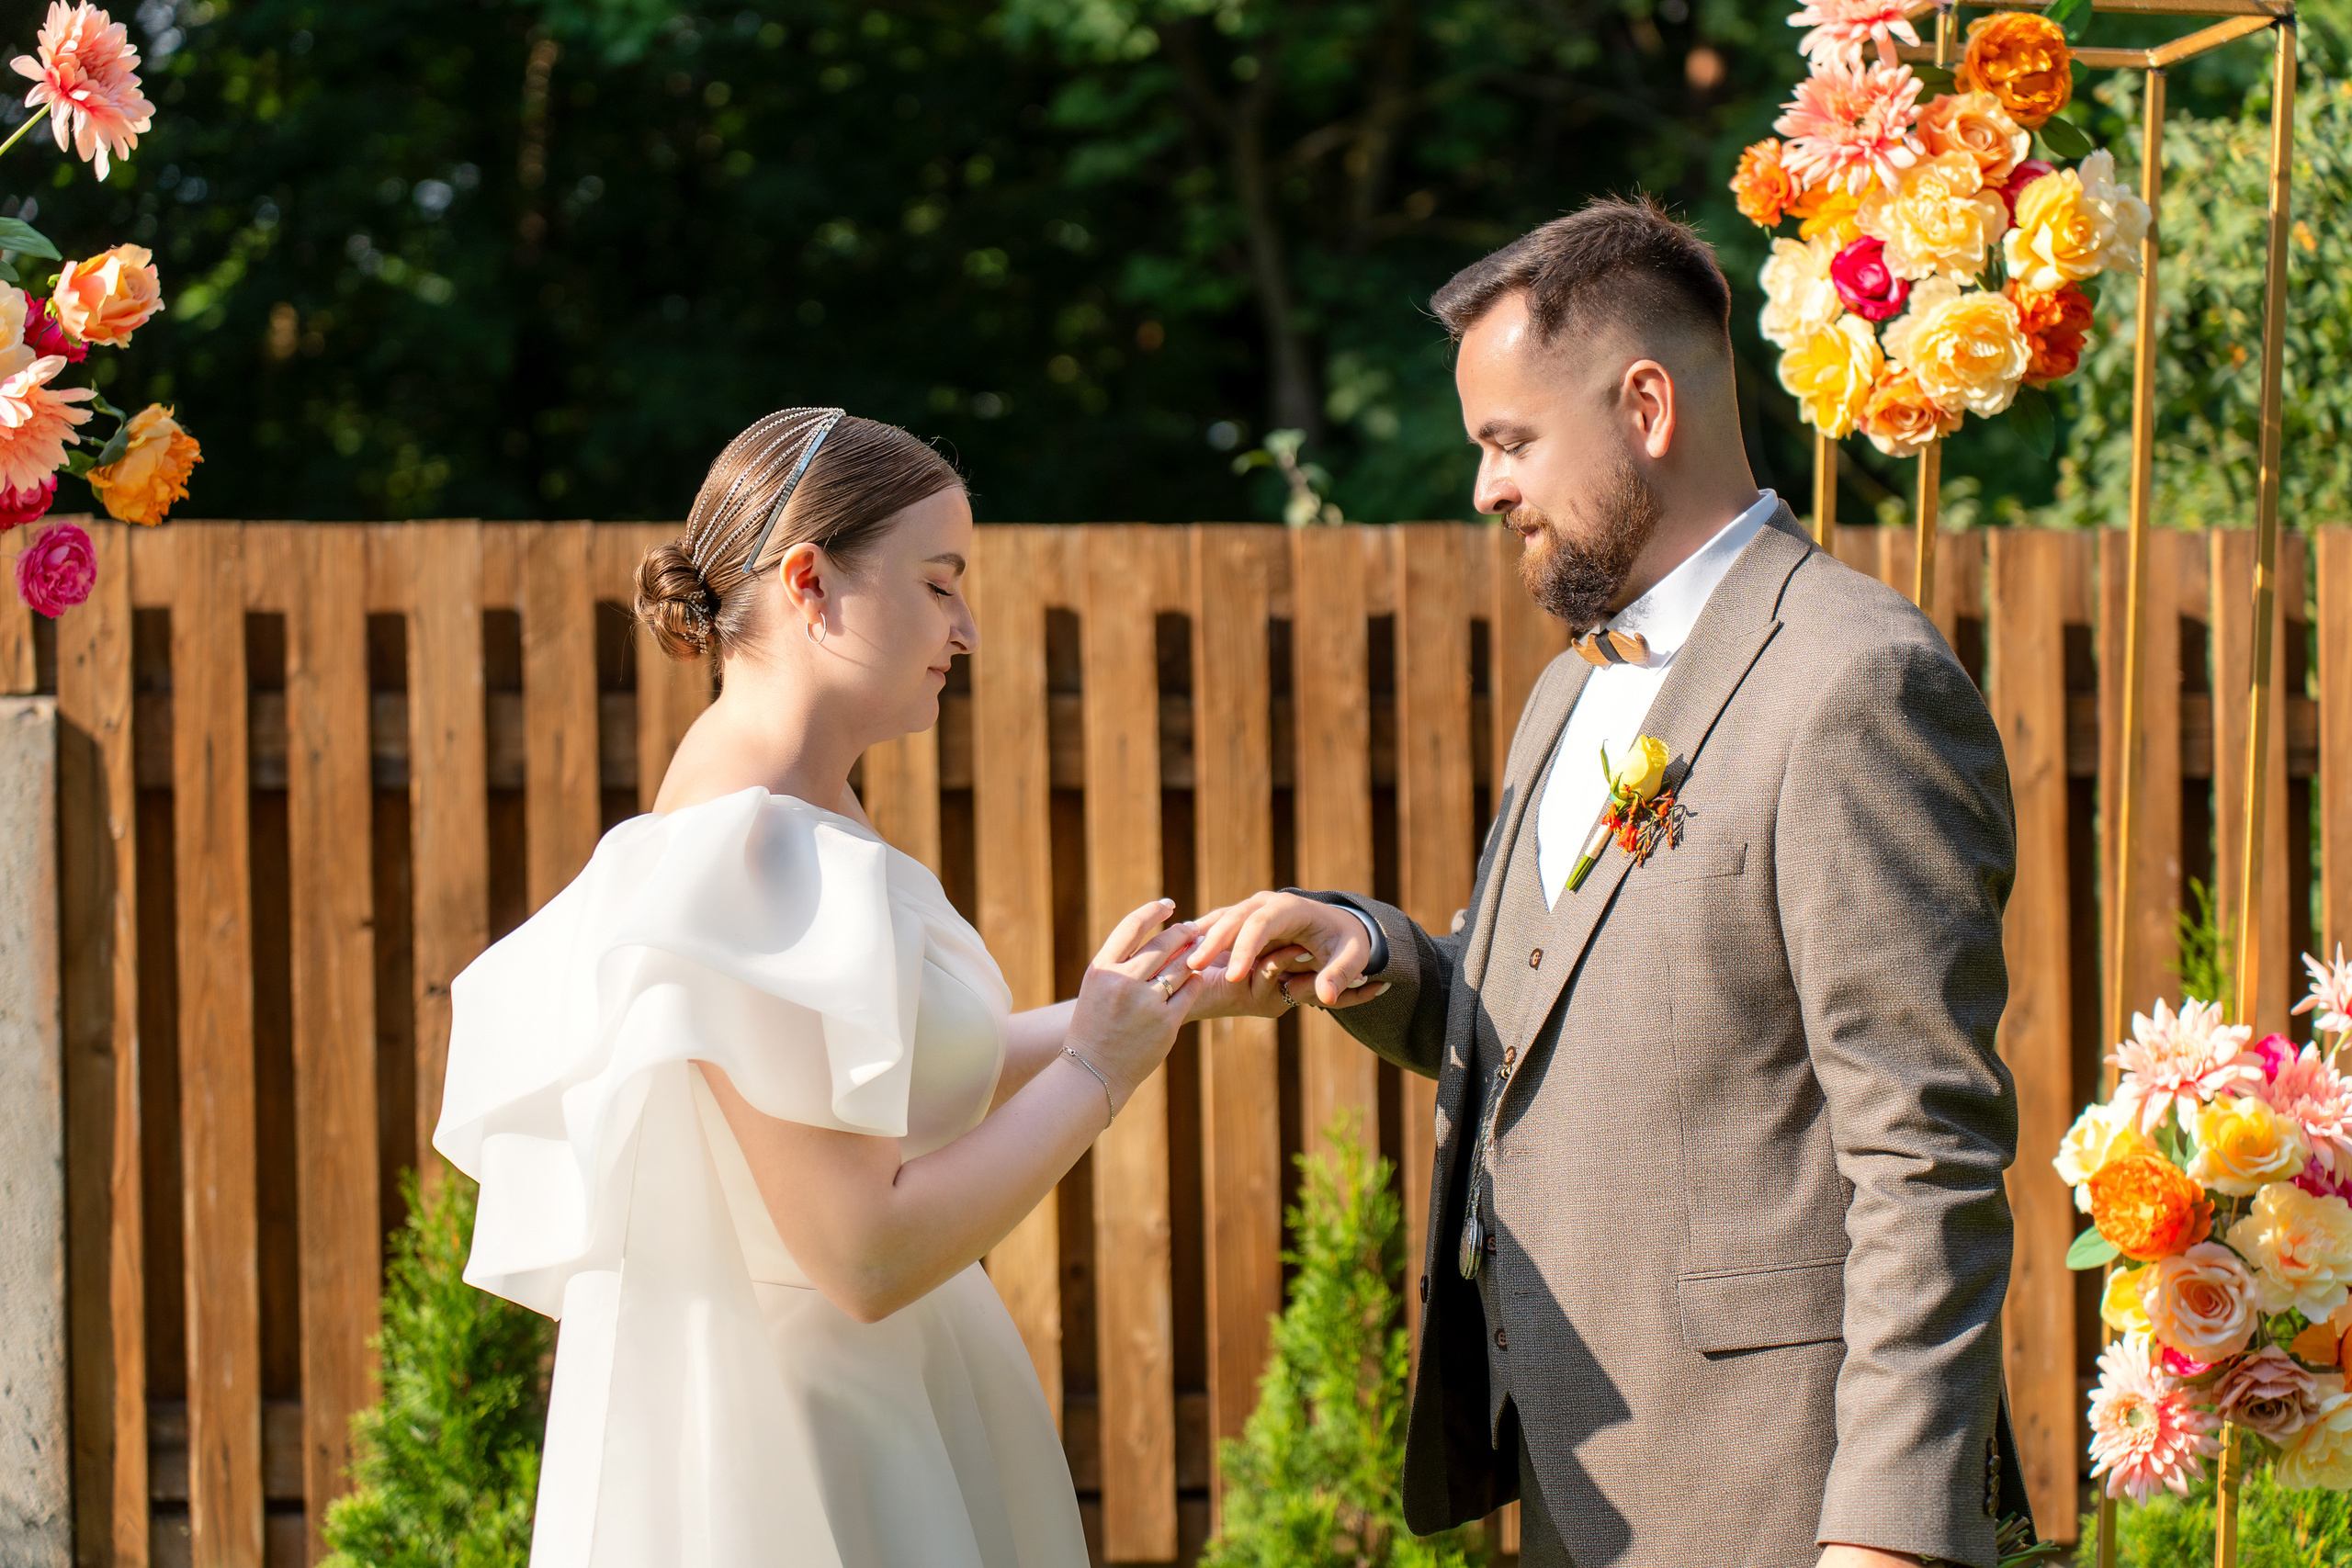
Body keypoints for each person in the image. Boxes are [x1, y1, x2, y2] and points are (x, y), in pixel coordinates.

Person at [1187, 198, 2028, 1568]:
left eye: (1511, 442)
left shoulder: (1853, 680)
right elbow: (1565, 1002)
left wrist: (1890, 1536)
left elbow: (1925, 1148)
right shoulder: (1567, 695)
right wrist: (1372, 949)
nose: (1486, 489)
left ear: (1646, 405)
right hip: (1589, 1489)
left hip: (1779, 1498)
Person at [433, 408, 1281, 1567]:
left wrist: (1142, 1003)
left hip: (889, 1417)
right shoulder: (746, 846)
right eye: (939, 586)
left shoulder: (794, 812)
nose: (966, 629)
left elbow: (874, 1081)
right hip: (802, 1469)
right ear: (809, 582)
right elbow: (861, 1254)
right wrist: (1096, 1071)